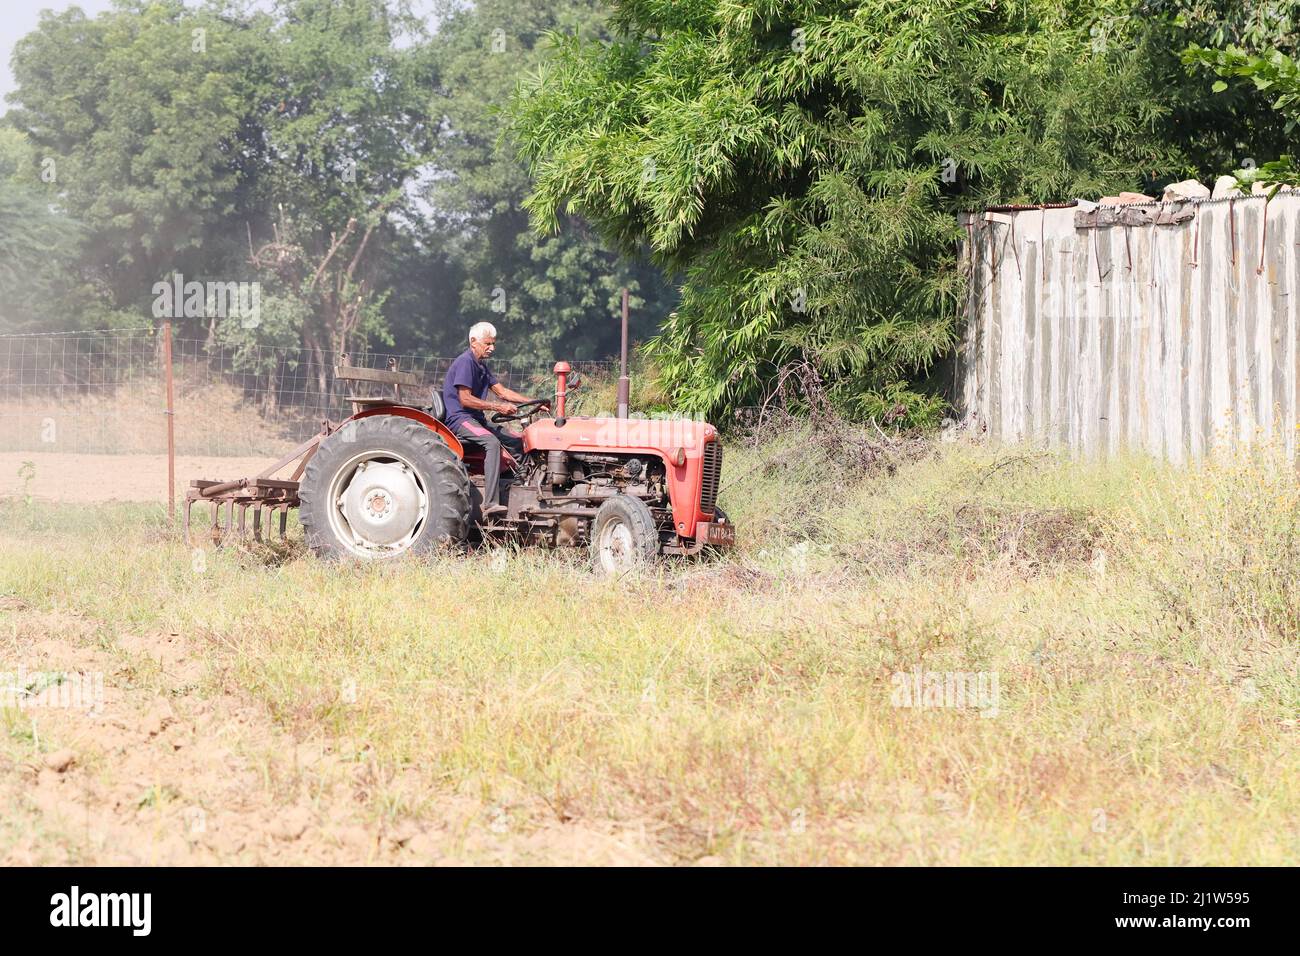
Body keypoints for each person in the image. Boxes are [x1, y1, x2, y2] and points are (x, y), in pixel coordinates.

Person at [441, 322, 544, 516]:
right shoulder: (465, 362)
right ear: (474, 342)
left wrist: (532, 401)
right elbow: (465, 399)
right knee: (491, 442)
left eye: (493, 343)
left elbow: (502, 392)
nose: (492, 348)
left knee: (516, 440)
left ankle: (521, 483)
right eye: (488, 343)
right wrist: (498, 407)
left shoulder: (481, 365)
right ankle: (490, 503)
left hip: (476, 419)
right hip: (459, 418)